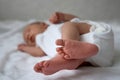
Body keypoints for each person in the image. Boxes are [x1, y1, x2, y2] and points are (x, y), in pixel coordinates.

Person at [18, 12, 114, 75]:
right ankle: (71, 61)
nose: (27, 35)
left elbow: (77, 20)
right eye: (26, 40)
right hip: (95, 55)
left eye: (29, 30)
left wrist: (64, 16)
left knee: (69, 25)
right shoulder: (41, 43)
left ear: (43, 24)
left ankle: (64, 54)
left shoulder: (54, 26)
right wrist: (24, 48)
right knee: (80, 60)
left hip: (96, 33)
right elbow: (38, 52)